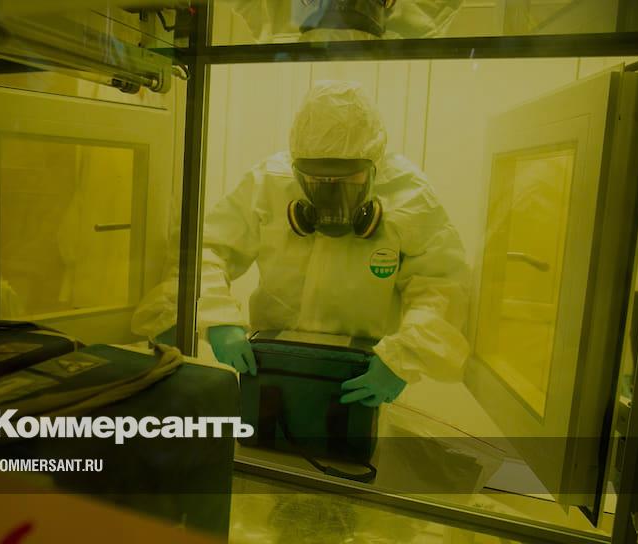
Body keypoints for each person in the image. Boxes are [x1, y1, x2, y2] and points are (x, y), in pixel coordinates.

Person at [132, 80, 469, 406]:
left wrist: (405, 356)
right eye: (316, 177)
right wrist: (217, 318)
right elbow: (207, 248)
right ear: (296, 167)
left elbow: (441, 283)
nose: (331, 192)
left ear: (374, 165)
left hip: (362, 369)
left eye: (349, 178)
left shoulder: (409, 194)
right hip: (275, 361)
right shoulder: (269, 183)